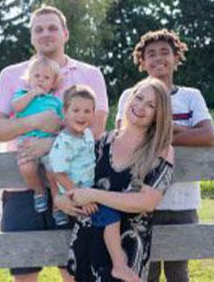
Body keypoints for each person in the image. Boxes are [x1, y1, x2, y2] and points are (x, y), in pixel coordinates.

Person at [0, 5, 108, 282]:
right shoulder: (10, 75)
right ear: (31, 37)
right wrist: (37, 122)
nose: (45, 34)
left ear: (66, 34)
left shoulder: (90, 75)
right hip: (21, 189)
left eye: (52, 27)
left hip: (72, 187)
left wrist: (51, 144)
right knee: (25, 273)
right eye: (38, 29)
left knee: (76, 273)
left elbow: (97, 129)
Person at [116, 29, 214, 282]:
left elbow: (207, 135)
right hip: (140, 200)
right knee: (145, 271)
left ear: (176, 57)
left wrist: (158, 132)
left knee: (178, 272)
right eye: (150, 54)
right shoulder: (131, 96)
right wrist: (181, 130)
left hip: (182, 202)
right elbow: (124, 138)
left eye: (164, 52)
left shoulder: (191, 96)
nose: (158, 58)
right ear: (142, 62)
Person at [55, 77, 175, 282]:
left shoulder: (160, 151)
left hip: (128, 250)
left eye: (151, 105)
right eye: (138, 98)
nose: (140, 106)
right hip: (89, 239)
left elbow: (147, 201)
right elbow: (67, 174)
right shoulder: (101, 143)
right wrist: (61, 199)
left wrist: (94, 195)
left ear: (158, 115)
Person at [50, 85, 141, 282]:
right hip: (74, 195)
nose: (81, 115)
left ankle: (107, 264)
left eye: (87, 111)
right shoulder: (64, 142)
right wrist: (79, 197)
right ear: (64, 112)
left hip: (89, 192)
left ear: (93, 113)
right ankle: (119, 265)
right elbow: (59, 173)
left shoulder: (88, 135)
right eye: (76, 110)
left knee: (106, 220)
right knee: (111, 216)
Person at [12, 55, 63, 213]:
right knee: (27, 169)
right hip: (27, 140)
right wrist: (32, 94)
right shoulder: (22, 95)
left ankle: (57, 202)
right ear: (29, 78)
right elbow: (17, 107)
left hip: (49, 142)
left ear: (53, 83)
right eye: (37, 76)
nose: (41, 80)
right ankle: (39, 192)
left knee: (54, 171)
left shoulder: (55, 102)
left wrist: (58, 125)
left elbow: (62, 123)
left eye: (46, 77)